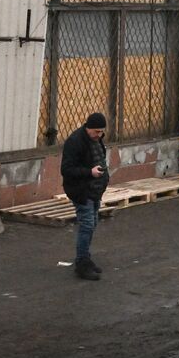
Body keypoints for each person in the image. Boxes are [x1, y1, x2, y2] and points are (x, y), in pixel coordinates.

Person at [61, 112, 110, 281]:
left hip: (95, 191)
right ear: (88, 128)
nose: (99, 135)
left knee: (92, 223)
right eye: (96, 131)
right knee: (87, 225)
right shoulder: (75, 142)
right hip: (82, 191)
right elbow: (66, 170)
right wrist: (90, 172)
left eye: (102, 132)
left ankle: (86, 258)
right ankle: (81, 263)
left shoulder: (96, 140)